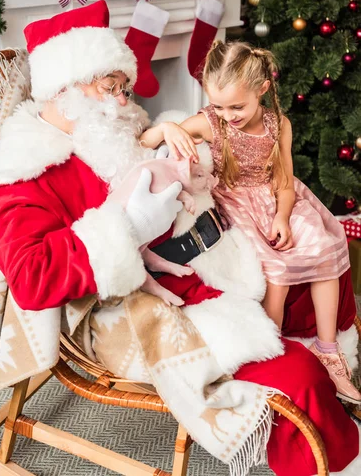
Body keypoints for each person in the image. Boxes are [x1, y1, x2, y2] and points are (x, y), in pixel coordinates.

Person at [0, 5, 360, 476]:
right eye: (111, 89)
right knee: (296, 376)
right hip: (143, 304)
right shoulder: (22, 174)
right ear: (66, 90)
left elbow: (159, 152)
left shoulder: (106, 127)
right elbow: (32, 277)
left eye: (124, 88)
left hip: (211, 255)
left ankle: (337, 394)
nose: (124, 101)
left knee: (323, 281)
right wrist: (128, 227)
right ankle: (337, 459)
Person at [140, 39, 361, 405]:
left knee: (325, 246)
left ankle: (328, 350)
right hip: (237, 204)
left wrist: (283, 217)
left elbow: (285, 181)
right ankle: (272, 353)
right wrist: (167, 130)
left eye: (237, 106)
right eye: (220, 106)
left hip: (279, 200)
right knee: (275, 266)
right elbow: (145, 139)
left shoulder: (279, 125)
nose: (228, 114)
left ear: (262, 89)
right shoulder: (212, 123)